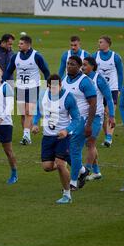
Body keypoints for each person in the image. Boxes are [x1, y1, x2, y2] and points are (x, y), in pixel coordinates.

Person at [31, 74, 80, 204]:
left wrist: (66, 130)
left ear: (60, 85)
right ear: (47, 86)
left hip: (63, 136)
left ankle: (67, 194)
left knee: (59, 163)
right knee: (47, 167)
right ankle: (75, 168)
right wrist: (35, 124)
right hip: (47, 136)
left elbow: (76, 119)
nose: (53, 89)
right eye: (51, 86)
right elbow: (38, 111)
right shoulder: (43, 95)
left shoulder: (68, 98)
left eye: (56, 86)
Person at [3, 35, 50, 145]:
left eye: (21, 43)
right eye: (19, 43)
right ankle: (26, 133)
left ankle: (26, 136)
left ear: (28, 45)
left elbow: (46, 71)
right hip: (19, 87)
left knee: (29, 111)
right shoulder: (15, 57)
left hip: (33, 87)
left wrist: (49, 84)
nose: (18, 45)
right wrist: (1, 83)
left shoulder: (37, 56)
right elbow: (9, 71)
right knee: (23, 113)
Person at [61, 55, 97, 190]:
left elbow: (93, 104)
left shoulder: (85, 82)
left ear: (79, 66)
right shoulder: (64, 80)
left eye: (72, 64)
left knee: (75, 150)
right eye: (68, 64)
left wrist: (88, 125)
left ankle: (73, 182)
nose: (69, 66)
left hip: (81, 120)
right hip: (67, 122)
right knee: (65, 151)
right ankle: (82, 171)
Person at [81, 57, 115, 181]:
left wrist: (111, 116)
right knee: (88, 144)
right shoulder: (81, 78)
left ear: (92, 66)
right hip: (83, 116)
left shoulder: (98, 79)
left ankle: (85, 171)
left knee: (90, 143)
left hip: (96, 116)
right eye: (82, 65)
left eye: (85, 65)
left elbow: (109, 98)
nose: (82, 67)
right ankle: (96, 172)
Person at [90, 36, 124, 147]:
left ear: (107, 44)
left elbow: (120, 73)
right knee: (102, 114)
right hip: (99, 90)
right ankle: (107, 135)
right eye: (98, 42)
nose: (98, 44)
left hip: (112, 88)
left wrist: (119, 88)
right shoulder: (95, 56)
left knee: (110, 112)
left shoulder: (116, 57)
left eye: (101, 42)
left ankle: (109, 138)